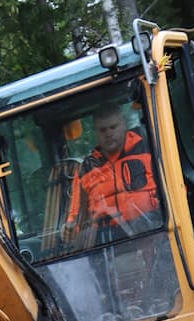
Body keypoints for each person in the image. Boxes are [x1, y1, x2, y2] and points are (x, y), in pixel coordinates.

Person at [64, 102, 161, 242]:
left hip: (155, 232)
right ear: (95, 132)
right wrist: (70, 229)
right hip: (109, 244)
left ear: (124, 126)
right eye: (103, 130)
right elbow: (75, 216)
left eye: (113, 127)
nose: (109, 133)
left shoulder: (148, 148)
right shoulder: (85, 169)